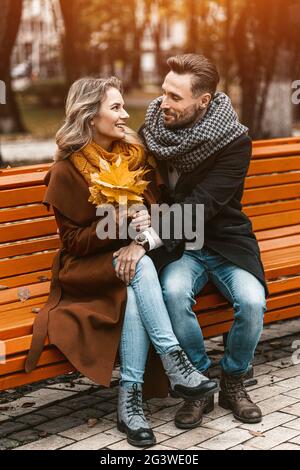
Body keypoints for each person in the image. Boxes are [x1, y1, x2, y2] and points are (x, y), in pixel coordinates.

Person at [25, 76, 218, 448]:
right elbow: (73, 243)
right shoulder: (66, 171)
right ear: (88, 114)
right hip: (85, 269)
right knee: (139, 269)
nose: (126, 114)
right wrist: (117, 225)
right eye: (115, 107)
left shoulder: (135, 156)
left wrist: (145, 220)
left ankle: (129, 401)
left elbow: (161, 210)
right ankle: (175, 363)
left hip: (131, 264)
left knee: (136, 276)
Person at [139, 54, 268, 429]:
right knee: (174, 294)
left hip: (226, 241)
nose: (164, 103)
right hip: (181, 247)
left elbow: (202, 206)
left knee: (252, 302)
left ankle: (232, 380)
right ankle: (198, 384)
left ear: (203, 101)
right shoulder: (153, 130)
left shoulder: (234, 141)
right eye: (164, 92)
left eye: (176, 97)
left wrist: (147, 238)